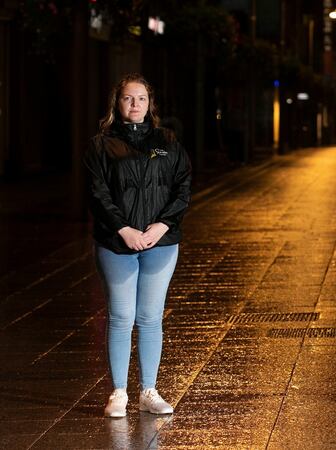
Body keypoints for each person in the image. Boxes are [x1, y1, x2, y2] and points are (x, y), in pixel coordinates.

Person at [85, 73, 191, 417]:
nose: (135, 104)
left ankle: (148, 390)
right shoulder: (101, 145)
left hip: (160, 242)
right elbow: (97, 193)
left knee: (149, 317)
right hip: (117, 243)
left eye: (141, 98)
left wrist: (161, 225)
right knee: (120, 315)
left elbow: (182, 187)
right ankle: (118, 392)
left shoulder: (167, 141)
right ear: (117, 103)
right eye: (128, 98)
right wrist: (123, 229)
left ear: (150, 104)